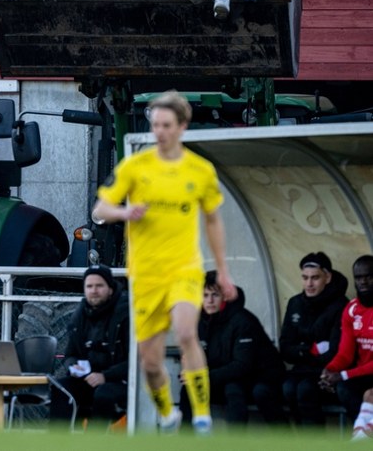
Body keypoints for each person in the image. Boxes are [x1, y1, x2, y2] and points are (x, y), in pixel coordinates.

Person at [91, 90, 235, 435]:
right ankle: (166, 412)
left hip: (184, 268)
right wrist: (124, 211)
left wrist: (223, 269)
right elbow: (100, 209)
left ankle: (201, 416)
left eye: (166, 125)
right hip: (146, 275)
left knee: (187, 332)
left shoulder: (200, 170)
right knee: (150, 361)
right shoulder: (135, 166)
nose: (160, 131)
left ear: (182, 126)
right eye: (155, 124)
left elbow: (213, 220)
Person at [179, 271, 286, 425]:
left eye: (215, 295)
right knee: (189, 389)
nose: (209, 301)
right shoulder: (199, 321)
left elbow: (242, 365)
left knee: (233, 389)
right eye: (205, 295)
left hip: (256, 378)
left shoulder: (242, 321)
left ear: (225, 296)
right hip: (224, 376)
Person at [50, 265, 129, 427]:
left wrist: (105, 376)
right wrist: (74, 367)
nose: (94, 290)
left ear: (111, 289)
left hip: (120, 381)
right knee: (61, 388)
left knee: (103, 394)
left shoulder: (125, 314)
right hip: (87, 378)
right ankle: (57, 442)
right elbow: (69, 354)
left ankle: (94, 443)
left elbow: (136, 361)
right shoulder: (80, 314)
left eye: (99, 286)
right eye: (89, 286)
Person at [279, 251, 347, 426]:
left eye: (315, 278)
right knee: (287, 388)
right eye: (304, 277)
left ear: (328, 277)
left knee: (305, 390)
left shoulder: (341, 305)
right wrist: (309, 349)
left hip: (327, 373)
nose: (309, 284)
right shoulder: (295, 303)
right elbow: (285, 347)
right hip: (301, 369)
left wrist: (301, 349)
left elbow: (335, 352)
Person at [320, 255, 373, 426]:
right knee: (343, 388)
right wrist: (330, 370)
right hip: (364, 374)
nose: (363, 282)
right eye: (358, 278)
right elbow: (345, 353)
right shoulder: (351, 309)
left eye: (368, 276)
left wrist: (343, 374)